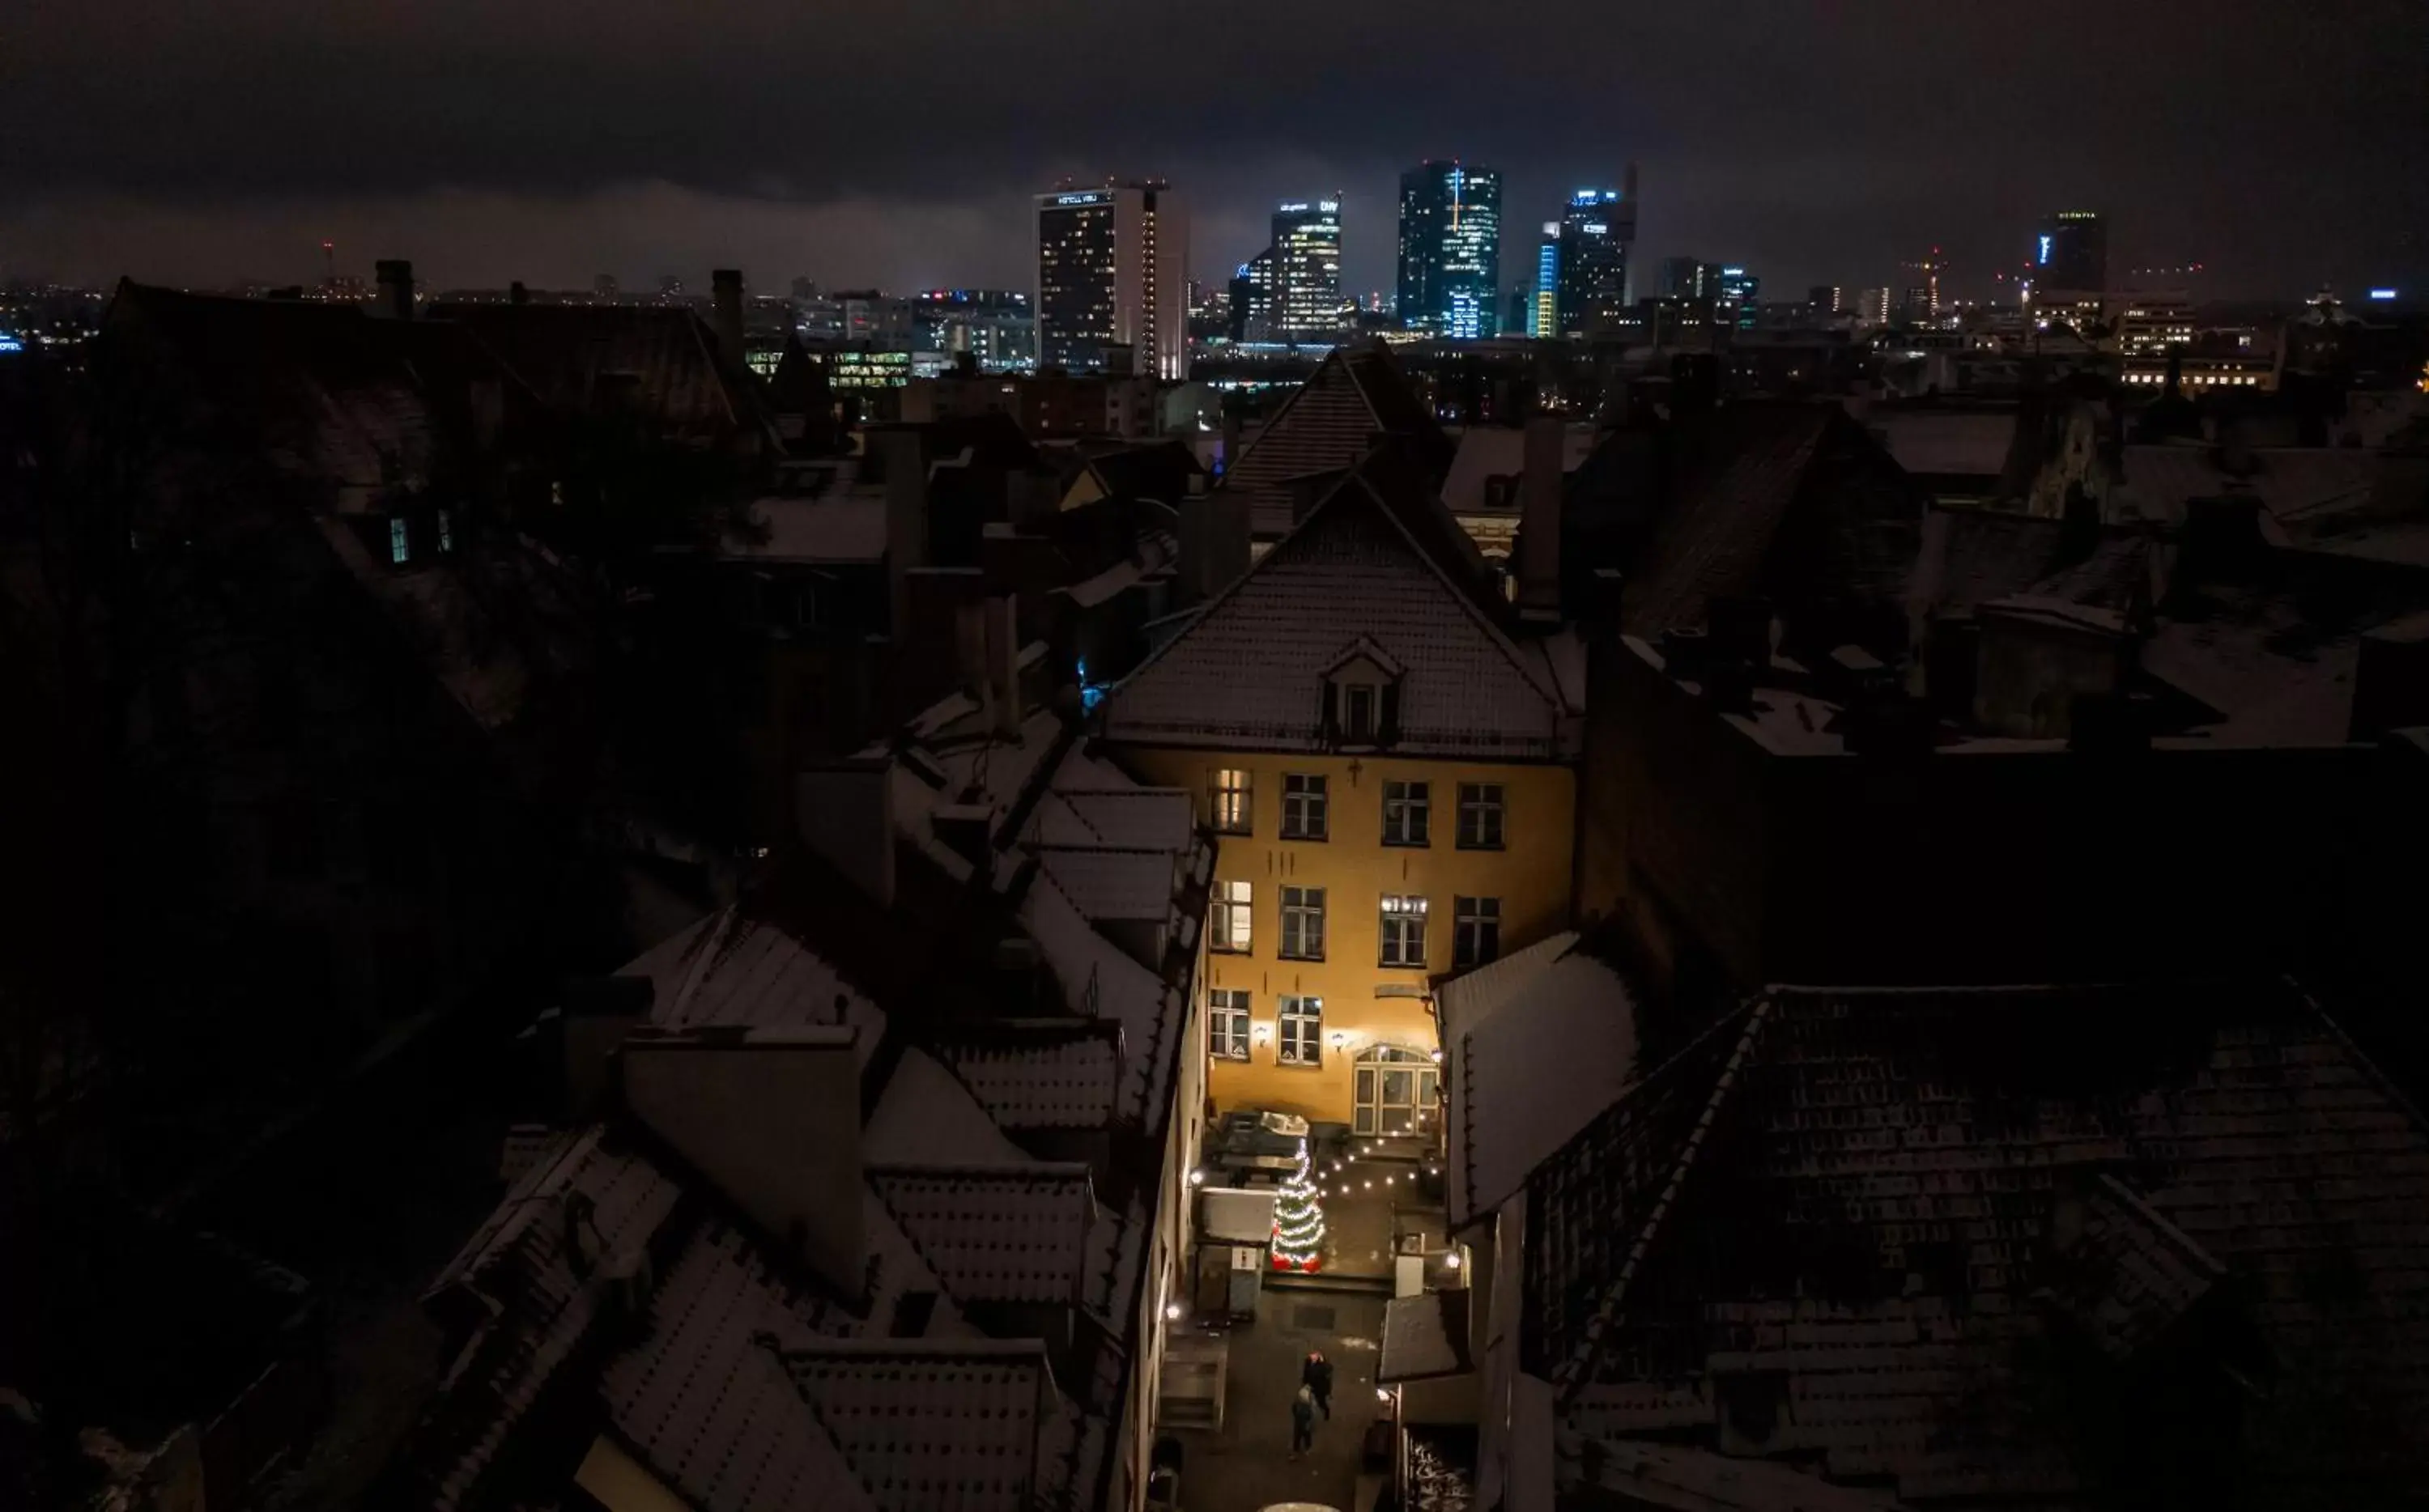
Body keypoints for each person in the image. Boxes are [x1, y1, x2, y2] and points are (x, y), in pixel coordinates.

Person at [1302, 1349, 1334, 1420]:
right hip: (1311, 1386)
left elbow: (1328, 1370)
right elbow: (1306, 1375)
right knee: (1308, 1402)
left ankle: (1326, 1411)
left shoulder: (1322, 1367)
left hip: (1319, 1388)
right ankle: (1309, 1416)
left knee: (1320, 1402)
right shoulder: (1309, 1364)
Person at [1290, 1384, 1316, 1457]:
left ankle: (1300, 1449)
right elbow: (1312, 1414)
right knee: (1302, 1435)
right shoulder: (1309, 1403)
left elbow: (1294, 1409)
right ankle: (1301, 1449)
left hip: (1301, 1421)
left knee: (1301, 1435)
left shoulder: (1299, 1402)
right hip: (1303, 1421)